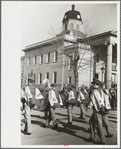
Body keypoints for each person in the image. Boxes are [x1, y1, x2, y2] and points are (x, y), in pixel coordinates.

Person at [89, 79, 106, 144]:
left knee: (98, 124)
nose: (92, 85)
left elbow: (98, 100)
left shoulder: (95, 91)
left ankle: (101, 139)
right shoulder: (101, 90)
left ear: (96, 85)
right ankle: (92, 136)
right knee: (91, 122)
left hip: (97, 110)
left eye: (93, 84)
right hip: (99, 109)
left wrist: (99, 108)